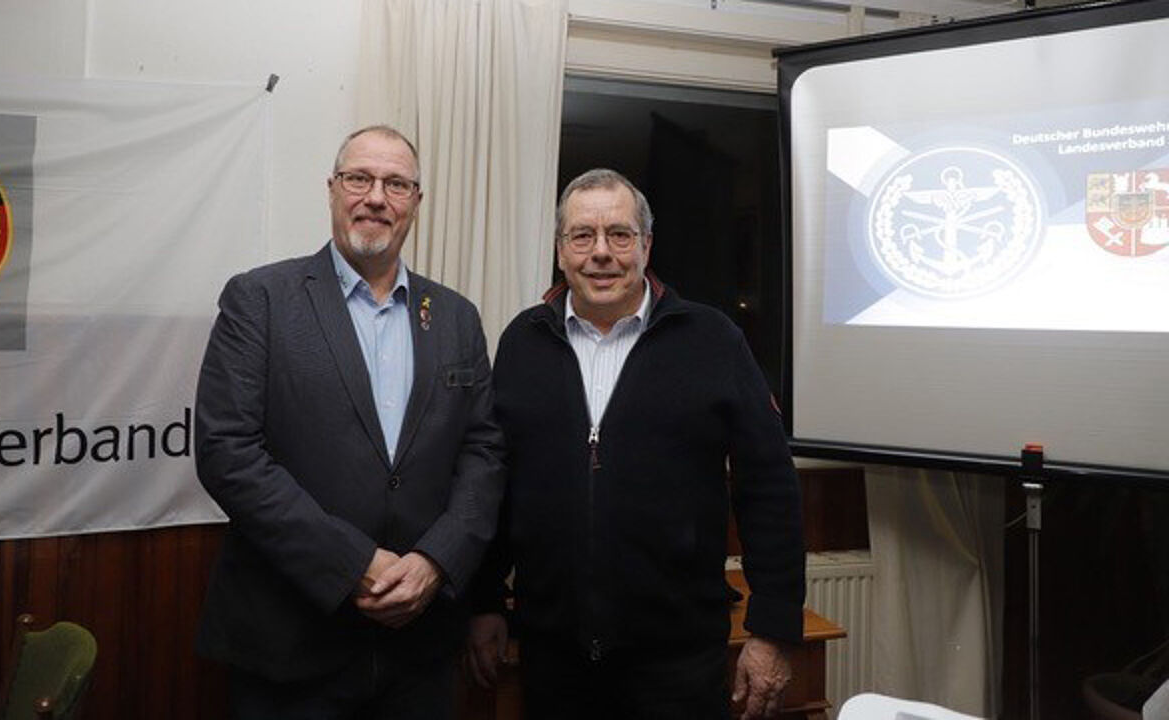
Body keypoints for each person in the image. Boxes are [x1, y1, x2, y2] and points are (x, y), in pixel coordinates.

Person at [466, 168, 805, 719]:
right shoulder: (522, 342)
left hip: (677, 661)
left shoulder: (713, 340)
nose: (601, 252)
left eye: (619, 235)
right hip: (554, 657)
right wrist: (483, 602)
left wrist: (772, 628)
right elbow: (497, 483)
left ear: (646, 246)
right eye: (582, 236)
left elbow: (768, 486)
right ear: (560, 250)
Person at [194, 125, 503, 719]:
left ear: (416, 200)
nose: (376, 197)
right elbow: (227, 452)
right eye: (359, 178)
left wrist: (437, 559)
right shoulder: (259, 299)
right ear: (333, 189)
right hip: (291, 646)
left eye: (396, 183)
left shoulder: (457, 318)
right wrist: (354, 562)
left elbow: (483, 454)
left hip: (422, 649)